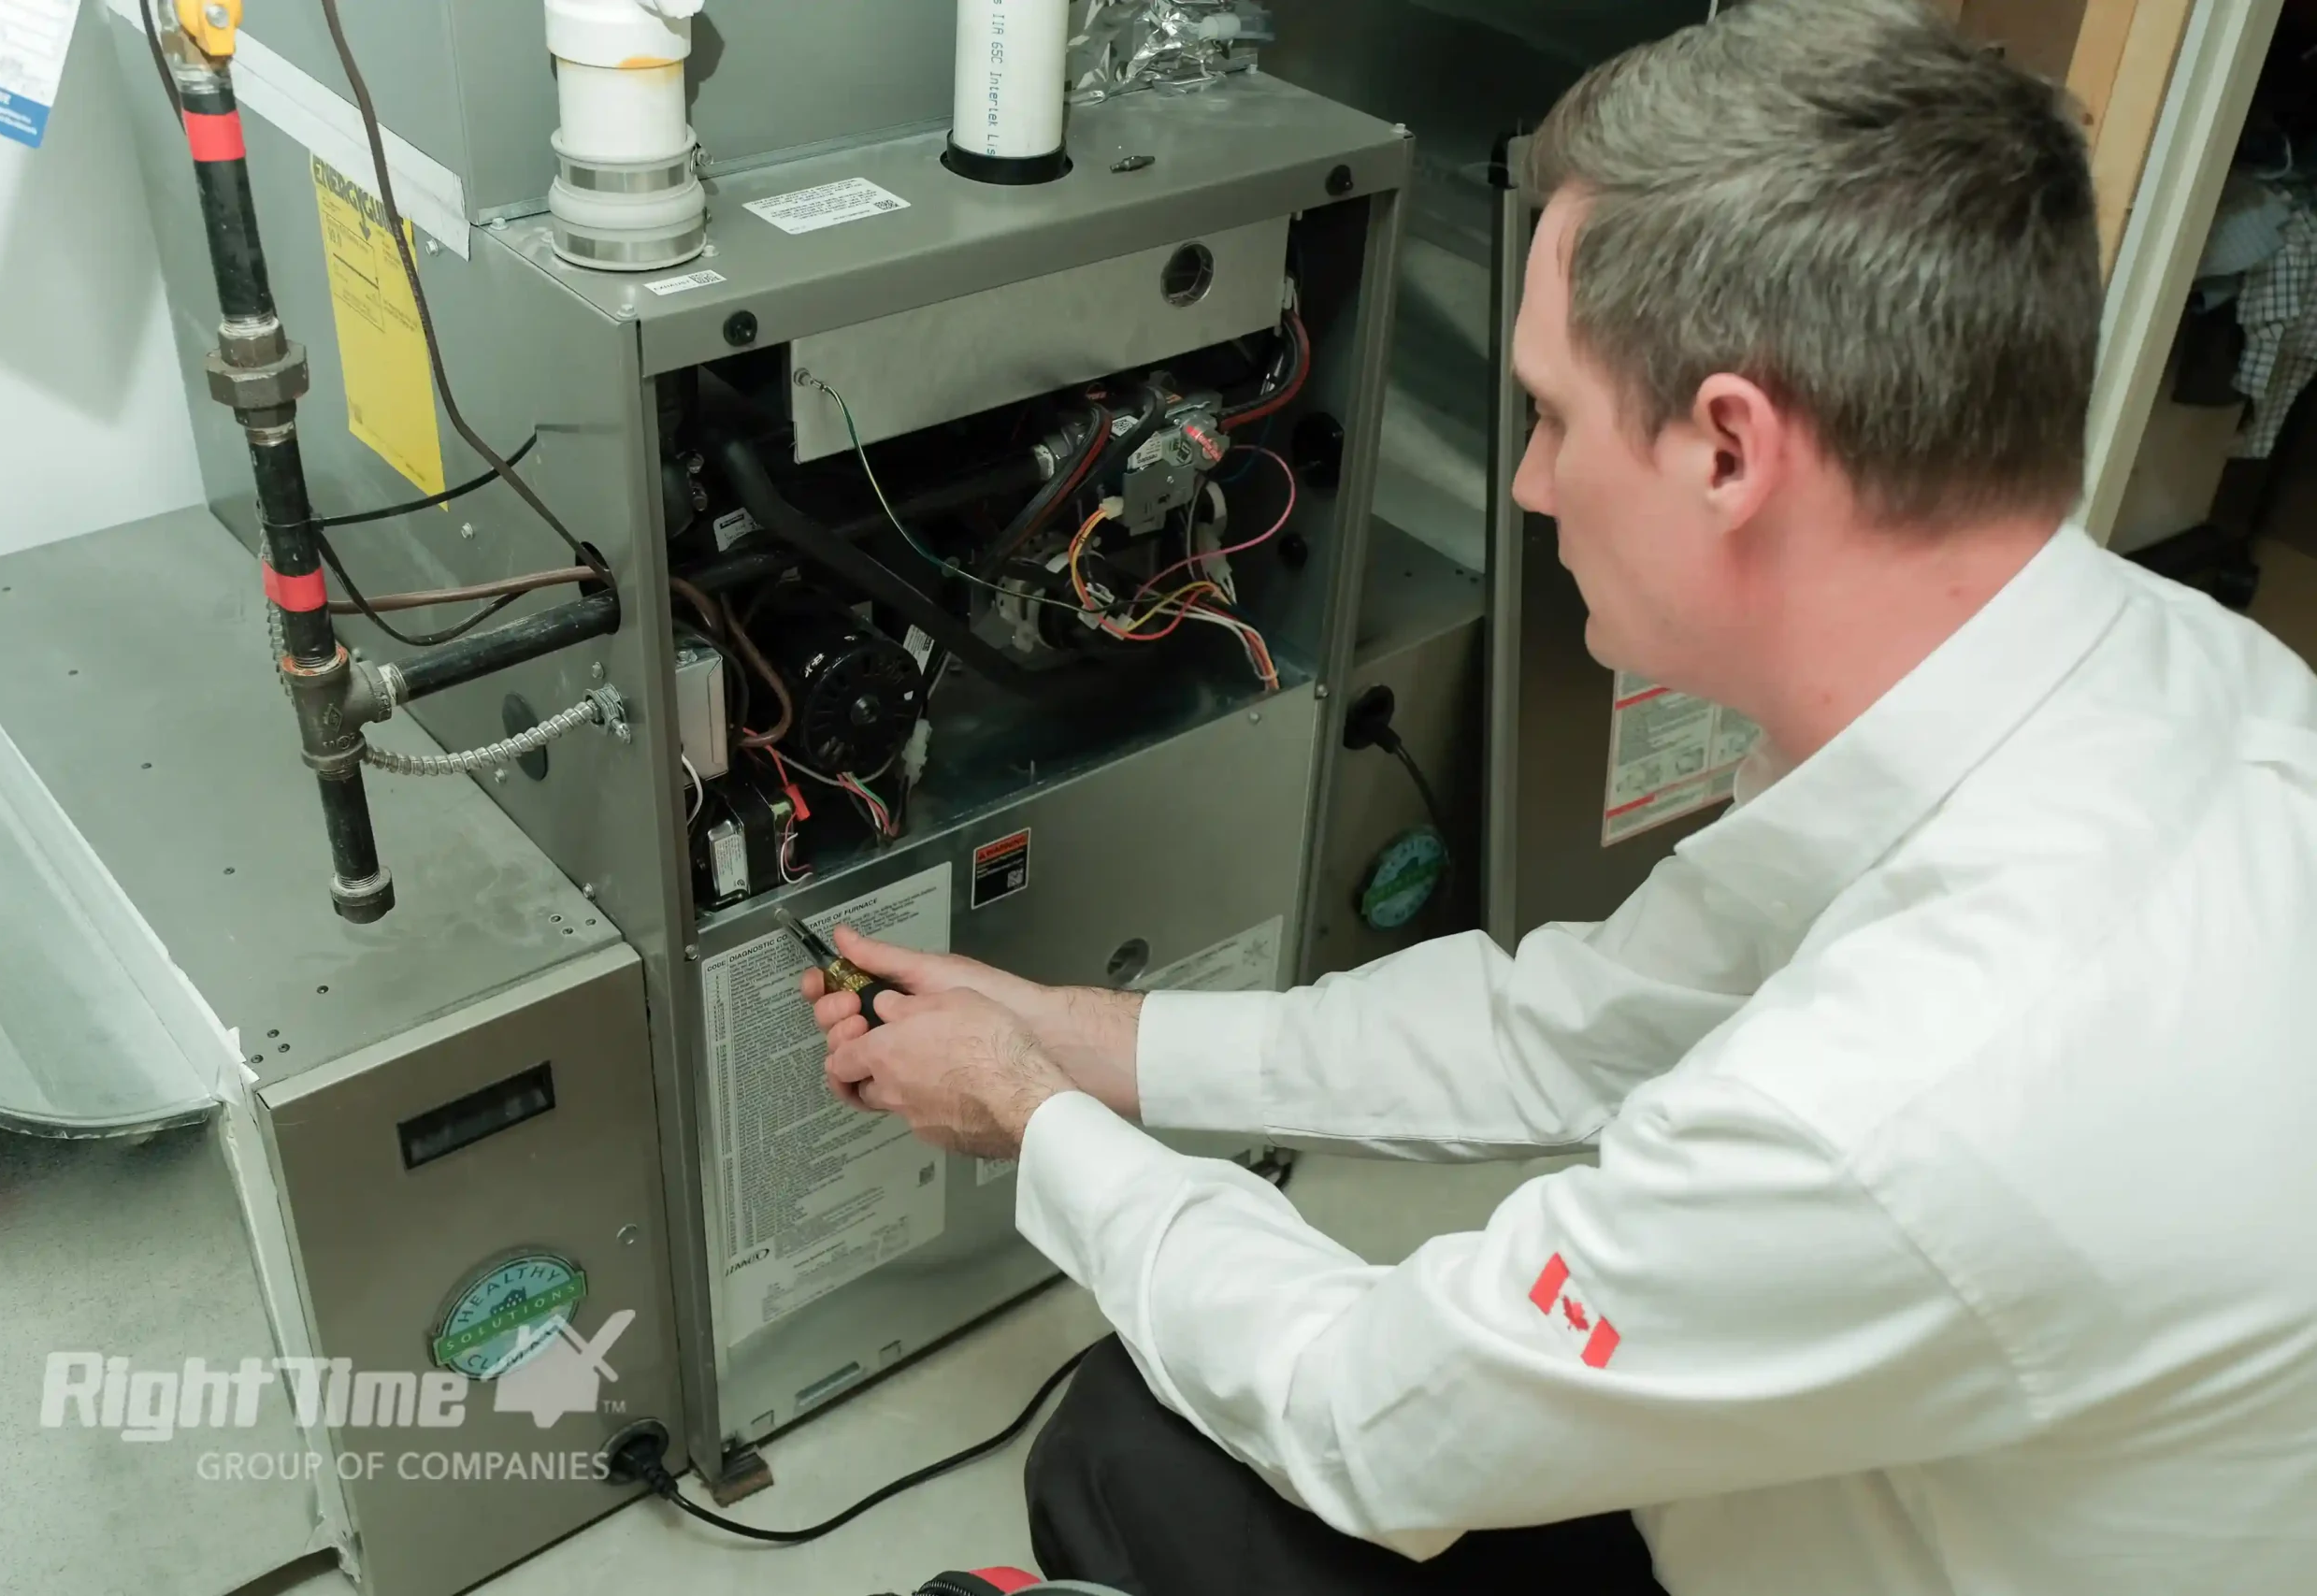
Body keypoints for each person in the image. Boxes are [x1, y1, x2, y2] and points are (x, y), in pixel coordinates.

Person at [803, 1, 2317, 1591]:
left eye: (1552, 413)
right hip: (1892, 1466)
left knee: (1155, 1458)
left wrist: (1025, 1122)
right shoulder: (2164, 671)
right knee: (1137, 1424)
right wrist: (1078, 1040)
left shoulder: (1918, 1097)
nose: (1524, 482)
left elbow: (1362, 1419)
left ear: (1729, 449)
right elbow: (1573, 1022)